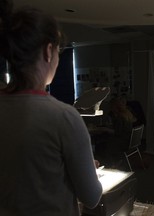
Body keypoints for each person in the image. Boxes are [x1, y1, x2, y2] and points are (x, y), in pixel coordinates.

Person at [0, 1, 102, 216]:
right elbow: (91, 197)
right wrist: (87, 169)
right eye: (58, 50)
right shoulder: (64, 117)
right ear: (48, 51)